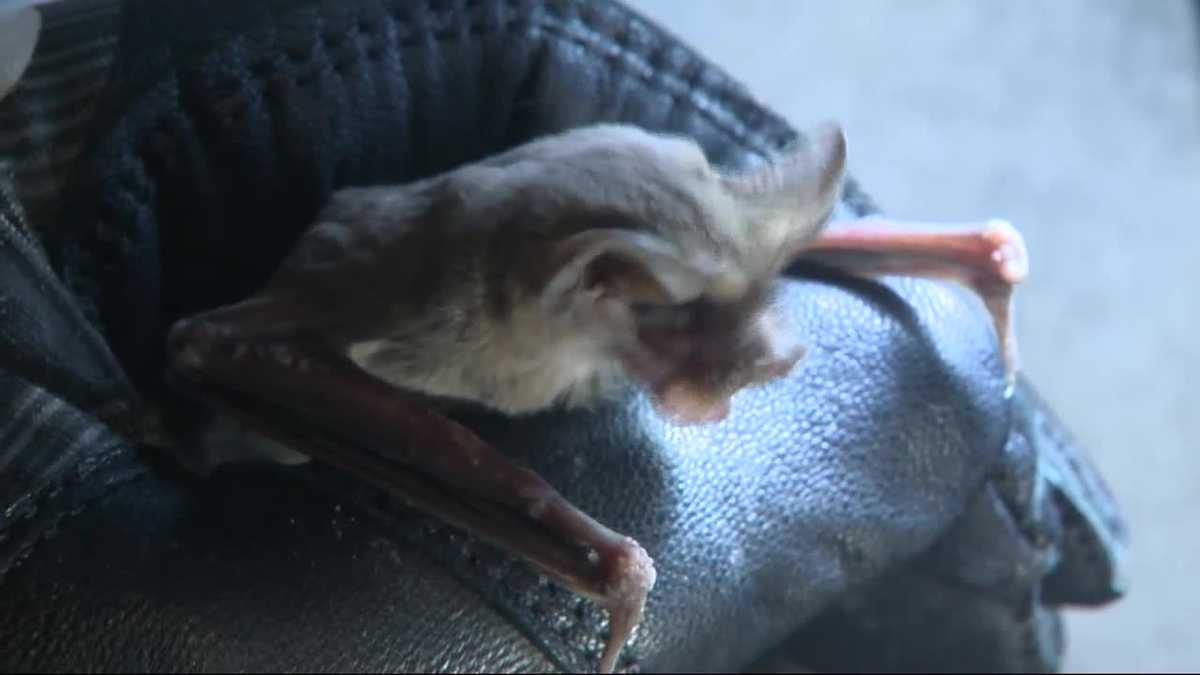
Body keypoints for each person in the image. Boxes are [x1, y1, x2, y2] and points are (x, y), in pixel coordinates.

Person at [0, 0, 1127, 671]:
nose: (718, 378)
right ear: (592, 286)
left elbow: (734, 245)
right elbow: (212, 347)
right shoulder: (449, 312)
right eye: (676, 334)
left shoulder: (671, 234)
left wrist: (899, 266)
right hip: (333, 356)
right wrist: (596, 561)